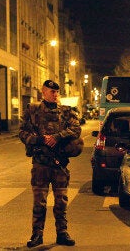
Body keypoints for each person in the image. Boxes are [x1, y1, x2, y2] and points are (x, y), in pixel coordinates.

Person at [19, 79, 82, 248]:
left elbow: (76, 129)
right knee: (39, 201)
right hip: (40, 164)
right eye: (51, 91)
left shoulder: (66, 111)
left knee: (61, 200)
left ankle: (62, 233)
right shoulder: (33, 110)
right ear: (43, 92)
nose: (54, 95)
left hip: (59, 163)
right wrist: (40, 139)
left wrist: (57, 137)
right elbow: (22, 133)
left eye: (56, 92)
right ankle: (37, 234)